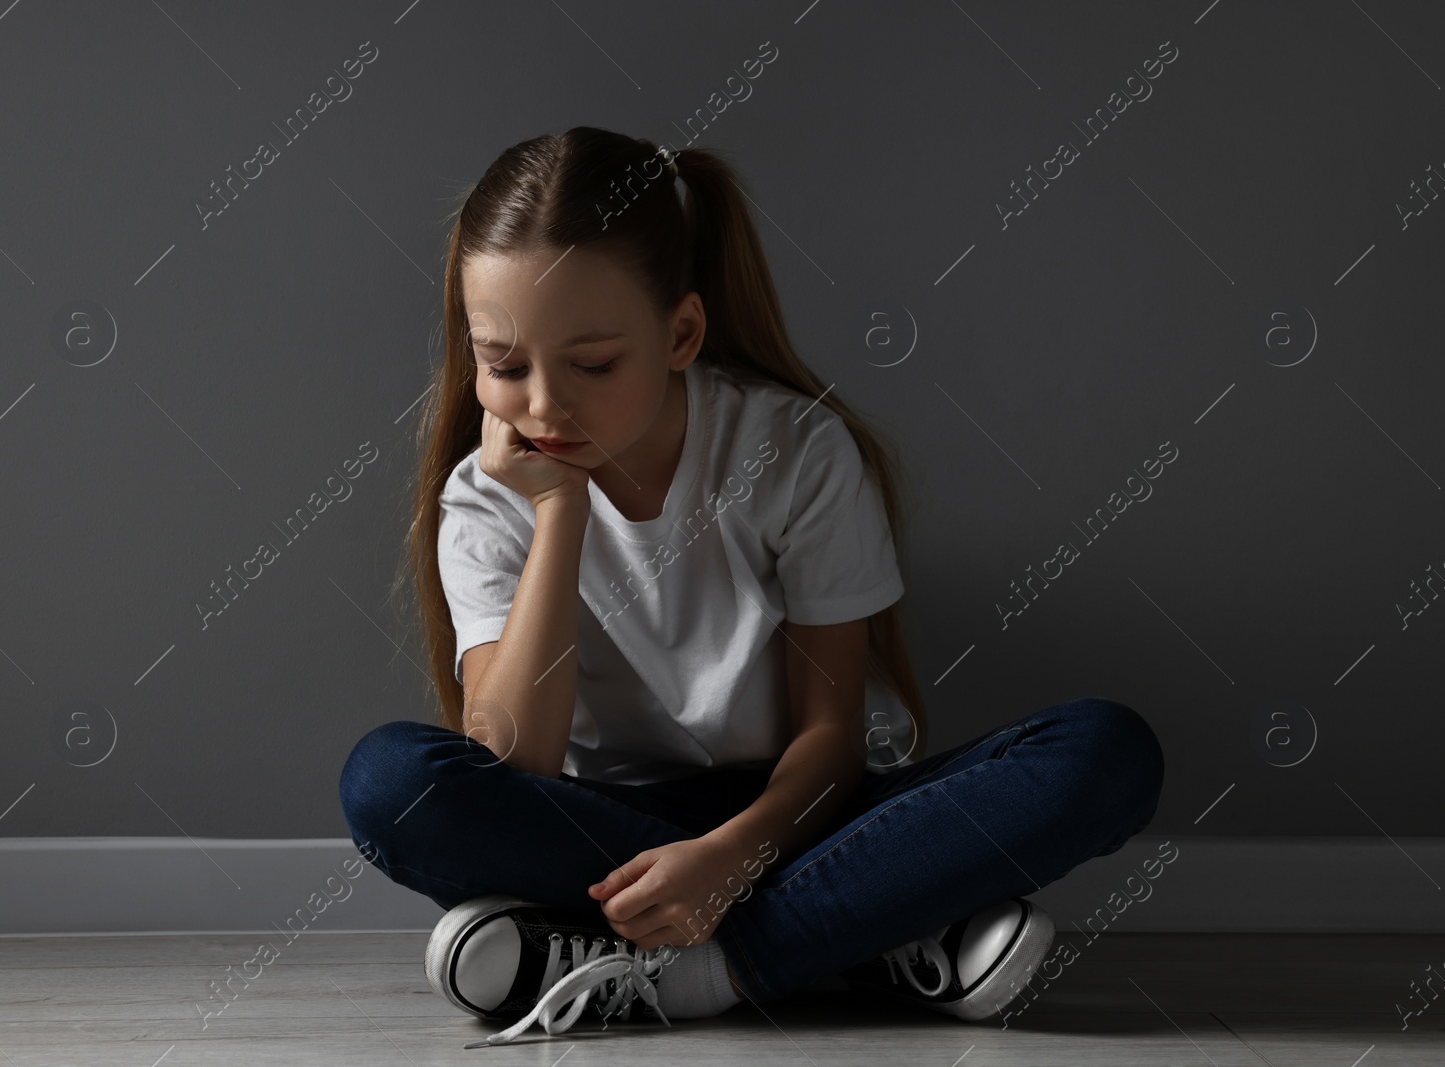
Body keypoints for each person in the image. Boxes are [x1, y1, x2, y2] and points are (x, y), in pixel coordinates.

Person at [338, 127, 1164, 1049]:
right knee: (390, 782)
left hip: (809, 808)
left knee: (1104, 752)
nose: (542, 406)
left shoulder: (796, 453)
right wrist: (560, 509)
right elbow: (520, 759)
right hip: (613, 829)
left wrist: (733, 860)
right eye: (505, 364)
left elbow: (831, 737)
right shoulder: (490, 495)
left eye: (594, 364)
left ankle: (701, 969)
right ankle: (874, 929)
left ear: (681, 332)